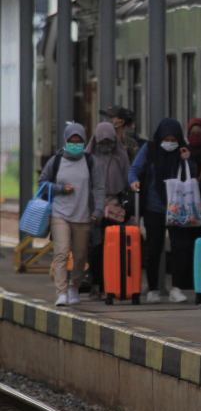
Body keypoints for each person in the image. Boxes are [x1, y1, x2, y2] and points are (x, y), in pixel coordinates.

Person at [128, 118, 197, 304]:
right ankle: (152, 289)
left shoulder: (184, 151)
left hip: (178, 207)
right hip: (154, 207)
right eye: (167, 139)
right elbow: (134, 170)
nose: (170, 143)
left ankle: (176, 288)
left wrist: (187, 160)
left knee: (179, 247)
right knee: (153, 248)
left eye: (173, 139)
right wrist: (133, 182)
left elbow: (192, 175)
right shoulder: (150, 149)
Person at [38, 123, 105, 306]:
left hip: (83, 217)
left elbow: (99, 188)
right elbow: (42, 182)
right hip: (60, 215)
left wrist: (98, 210)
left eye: (79, 141)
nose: (75, 145)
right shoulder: (56, 161)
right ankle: (62, 292)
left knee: (80, 256)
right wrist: (59, 188)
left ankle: (74, 287)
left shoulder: (91, 162)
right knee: (61, 253)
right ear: (65, 141)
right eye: (71, 141)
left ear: (84, 141)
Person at [85, 123, 131, 300]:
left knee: (113, 247)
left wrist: (129, 209)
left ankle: (111, 285)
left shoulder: (121, 156)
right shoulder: (89, 157)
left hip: (115, 208)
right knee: (96, 247)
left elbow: (127, 182)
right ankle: (95, 286)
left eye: (109, 142)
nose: (106, 146)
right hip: (93, 208)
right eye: (102, 143)